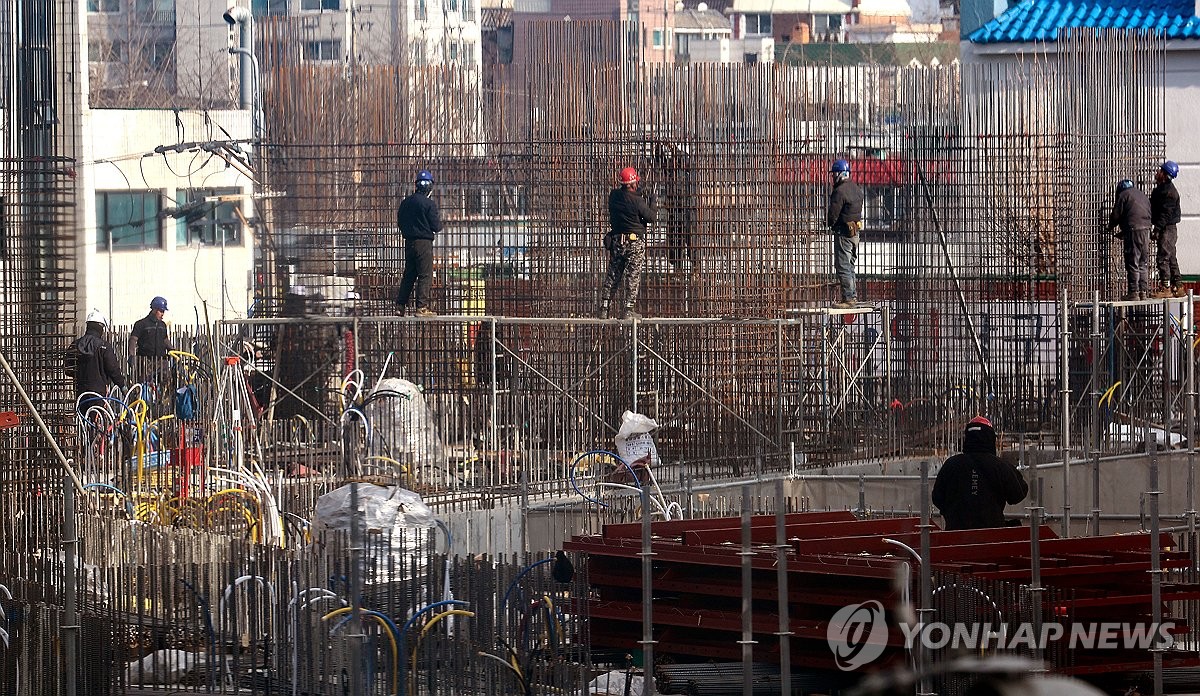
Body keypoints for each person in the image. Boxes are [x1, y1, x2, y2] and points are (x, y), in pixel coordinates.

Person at [932, 416, 1029, 531]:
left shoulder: (951, 465)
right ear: (990, 438)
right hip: (993, 536)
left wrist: (956, 512)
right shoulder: (1000, 466)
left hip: (956, 536)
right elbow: (1018, 494)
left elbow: (937, 498)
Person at [598, 166, 657, 320]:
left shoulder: (614, 196)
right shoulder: (637, 201)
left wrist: (638, 194)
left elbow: (625, 200)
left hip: (617, 241)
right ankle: (628, 310)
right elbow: (650, 217)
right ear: (632, 184)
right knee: (632, 276)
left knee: (613, 275)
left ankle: (604, 307)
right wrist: (652, 202)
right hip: (634, 242)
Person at [396, 169, 443, 317]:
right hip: (423, 243)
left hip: (409, 242)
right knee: (425, 275)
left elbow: (400, 222)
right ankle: (421, 307)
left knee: (409, 274)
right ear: (430, 186)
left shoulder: (405, 203)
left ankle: (400, 305)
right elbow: (436, 226)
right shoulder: (429, 204)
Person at [66, 309, 127, 414]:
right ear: (101, 327)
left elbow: (68, 369)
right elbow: (113, 369)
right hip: (98, 393)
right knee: (97, 423)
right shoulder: (104, 346)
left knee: (82, 422)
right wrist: (122, 386)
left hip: (80, 391)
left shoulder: (75, 345)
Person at [827, 159, 864, 309]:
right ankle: (852, 295)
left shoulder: (839, 191)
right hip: (855, 233)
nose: (833, 177)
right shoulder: (856, 189)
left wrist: (829, 224)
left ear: (839, 174)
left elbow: (833, 214)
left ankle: (848, 298)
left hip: (843, 233)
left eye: (834, 174)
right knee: (850, 265)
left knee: (842, 265)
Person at [1109, 178, 1152, 301]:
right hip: (1146, 230)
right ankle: (1143, 291)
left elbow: (1116, 215)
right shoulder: (1142, 195)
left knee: (1133, 260)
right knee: (1143, 262)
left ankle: (1133, 292)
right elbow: (1137, 214)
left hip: (1134, 230)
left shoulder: (1123, 195)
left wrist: (1110, 226)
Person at [1151, 160, 1183, 298]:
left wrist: (1157, 229)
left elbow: (1165, 214)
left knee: (1163, 257)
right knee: (1171, 257)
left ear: (1165, 174)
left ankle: (1166, 288)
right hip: (1167, 228)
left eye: (1160, 171)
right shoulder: (1162, 189)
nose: (1157, 173)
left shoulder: (1169, 193)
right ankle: (1179, 286)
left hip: (1168, 229)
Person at [129, 296, 172, 361]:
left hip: (161, 362)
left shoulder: (162, 325)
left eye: (163, 311)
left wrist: (172, 350)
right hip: (146, 362)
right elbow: (133, 340)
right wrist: (131, 355)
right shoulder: (141, 324)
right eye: (161, 311)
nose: (162, 314)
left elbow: (165, 340)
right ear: (154, 310)